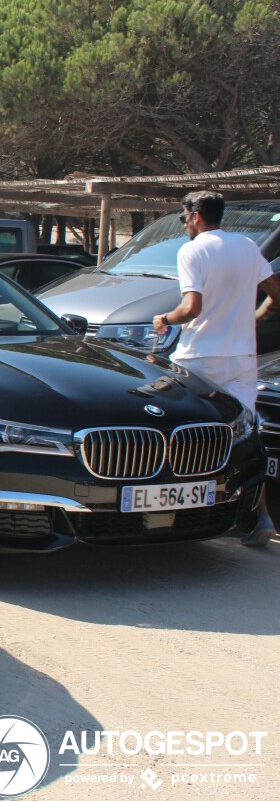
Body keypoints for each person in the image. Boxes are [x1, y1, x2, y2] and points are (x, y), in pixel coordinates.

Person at [153, 190, 280, 547]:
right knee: (247, 435)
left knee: (180, 434)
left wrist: (164, 319)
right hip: (241, 359)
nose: (184, 226)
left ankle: (173, 511)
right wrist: (251, 319)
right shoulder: (246, 246)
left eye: (183, 218)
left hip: (199, 358)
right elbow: (276, 293)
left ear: (195, 216)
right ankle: (261, 519)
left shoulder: (192, 251)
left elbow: (191, 308)